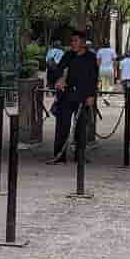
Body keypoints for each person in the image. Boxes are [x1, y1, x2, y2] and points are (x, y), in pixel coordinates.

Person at [50, 31, 99, 163]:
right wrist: (59, 79)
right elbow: (59, 69)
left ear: (83, 42)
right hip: (66, 95)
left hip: (83, 96)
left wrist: (91, 96)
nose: (73, 43)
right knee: (62, 126)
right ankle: (59, 156)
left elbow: (93, 78)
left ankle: (80, 155)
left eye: (76, 41)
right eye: (72, 41)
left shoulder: (91, 57)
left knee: (81, 128)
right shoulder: (68, 55)